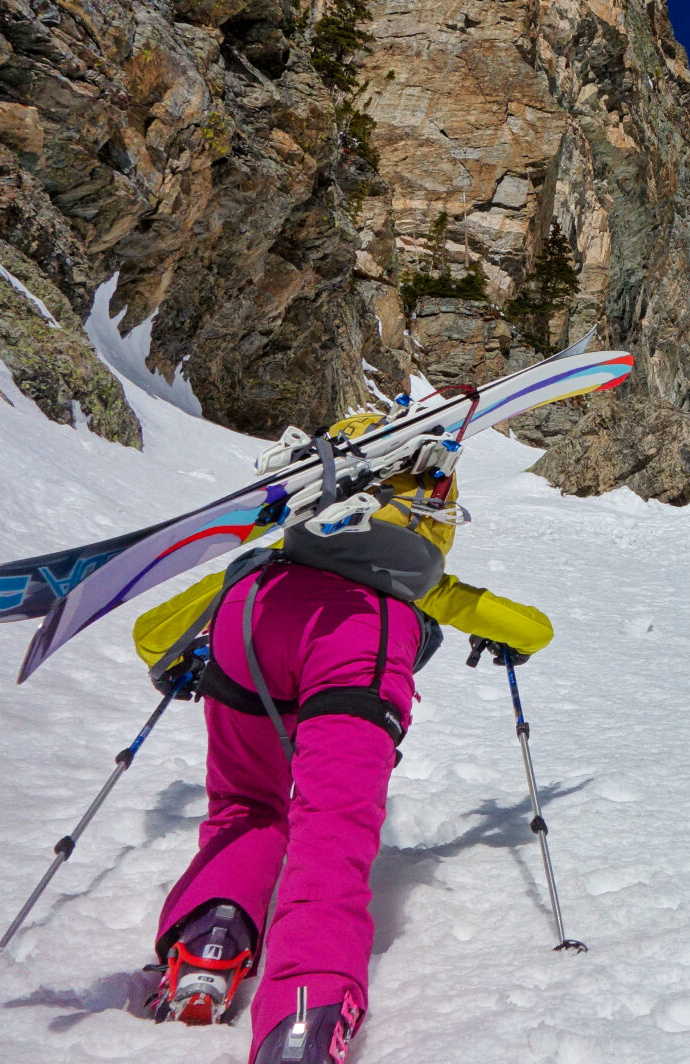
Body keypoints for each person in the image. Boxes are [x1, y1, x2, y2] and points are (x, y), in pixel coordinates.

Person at [132, 414, 553, 1063]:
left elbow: (152, 635)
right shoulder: (419, 579)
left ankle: (210, 939)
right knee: (331, 830)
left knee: (246, 807)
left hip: (253, 621)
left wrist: (188, 657)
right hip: (363, 637)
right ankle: (306, 1011)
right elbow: (533, 629)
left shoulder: (264, 559)